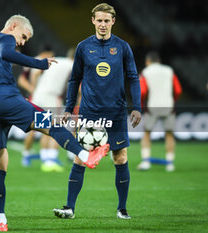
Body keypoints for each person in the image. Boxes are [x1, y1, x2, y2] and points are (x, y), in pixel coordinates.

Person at [0, 15, 109, 232]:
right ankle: (85, 155)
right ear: (13, 25)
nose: (22, 42)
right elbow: (7, 53)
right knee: (52, 125)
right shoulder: (3, 38)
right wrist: (39, 63)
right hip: (9, 101)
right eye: (23, 36)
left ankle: (0, 220)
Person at [53, 3, 141, 220]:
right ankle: (69, 207)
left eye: (106, 20)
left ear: (113, 21)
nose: (103, 24)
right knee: (80, 158)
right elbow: (74, 79)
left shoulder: (122, 47)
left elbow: (133, 78)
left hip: (116, 112)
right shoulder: (84, 47)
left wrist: (137, 107)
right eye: (99, 20)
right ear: (93, 20)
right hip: (89, 113)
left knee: (120, 157)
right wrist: (68, 108)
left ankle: (122, 208)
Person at [137, 51, 182, 172]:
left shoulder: (146, 72)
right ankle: (170, 163)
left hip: (153, 107)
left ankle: (146, 162)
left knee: (147, 133)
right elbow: (178, 90)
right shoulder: (169, 70)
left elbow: (141, 91)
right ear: (159, 60)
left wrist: (141, 105)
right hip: (168, 106)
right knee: (169, 134)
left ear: (148, 61)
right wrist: (173, 101)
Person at [31, 48, 75, 172]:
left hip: (38, 95)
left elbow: (35, 73)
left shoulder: (58, 60)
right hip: (51, 97)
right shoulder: (73, 64)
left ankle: (45, 161)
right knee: (57, 127)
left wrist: (34, 89)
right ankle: (52, 160)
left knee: (44, 128)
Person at [17, 46, 55, 167]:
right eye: (49, 55)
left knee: (44, 126)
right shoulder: (35, 63)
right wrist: (33, 90)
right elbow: (21, 80)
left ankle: (44, 156)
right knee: (36, 128)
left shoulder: (44, 64)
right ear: (44, 54)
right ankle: (29, 154)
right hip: (37, 99)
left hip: (44, 98)